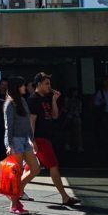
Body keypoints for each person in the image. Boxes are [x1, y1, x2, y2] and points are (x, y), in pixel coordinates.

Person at [27, 72, 81, 207]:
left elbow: (55, 115)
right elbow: (31, 121)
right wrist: (32, 140)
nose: (49, 86)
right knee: (53, 165)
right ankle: (64, 196)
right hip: (40, 138)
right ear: (38, 84)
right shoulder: (33, 99)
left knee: (33, 169)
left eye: (49, 84)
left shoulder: (46, 98)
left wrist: (54, 100)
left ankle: (17, 190)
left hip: (47, 137)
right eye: (46, 83)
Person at [3, 77, 41, 215]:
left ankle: (16, 192)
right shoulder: (9, 104)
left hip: (25, 140)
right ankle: (14, 204)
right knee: (16, 174)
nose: (25, 87)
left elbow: (27, 122)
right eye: (23, 85)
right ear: (17, 87)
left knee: (35, 168)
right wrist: (9, 144)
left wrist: (32, 139)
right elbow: (9, 126)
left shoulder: (22, 101)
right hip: (15, 141)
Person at [63, 88, 84, 153]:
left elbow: (80, 109)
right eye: (74, 92)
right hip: (70, 116)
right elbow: (66, 108)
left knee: (77, 132)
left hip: (75, 117)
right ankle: (68, 145)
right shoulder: (68, 99)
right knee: (69, 132)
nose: (75, 93)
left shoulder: (78, 100)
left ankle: (78, 146)